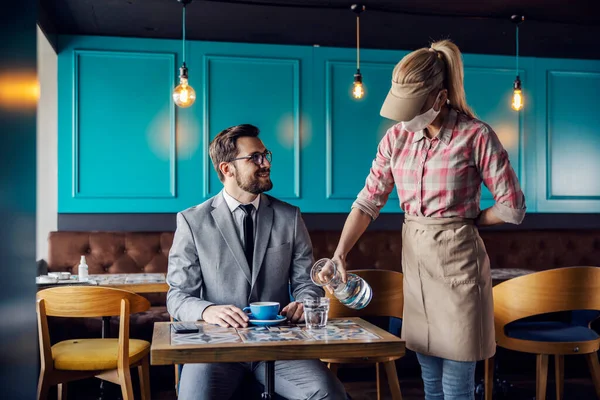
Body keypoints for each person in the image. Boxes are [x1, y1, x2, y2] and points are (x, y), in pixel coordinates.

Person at [330, 40, 526, 400]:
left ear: (439, 97)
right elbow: (368, 200)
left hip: (460, 270)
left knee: (455, 386)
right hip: (416, 268)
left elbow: (512, 207)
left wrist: (468, 221)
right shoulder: (396, 138)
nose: (405, 119)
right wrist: (341, 252)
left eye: (413, 108)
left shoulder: (476, 135)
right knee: (429, 383)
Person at [167, 124, 346, 400]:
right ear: (227, 169)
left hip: (278, 347)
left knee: (329, 394)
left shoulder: (290, 217)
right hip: (215, 348)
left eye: (265, 155)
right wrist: (207, 311)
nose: (265, 164)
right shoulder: (192, 221)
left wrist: (304, 301)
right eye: (255, 157)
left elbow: (306, 283)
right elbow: (177, 296)